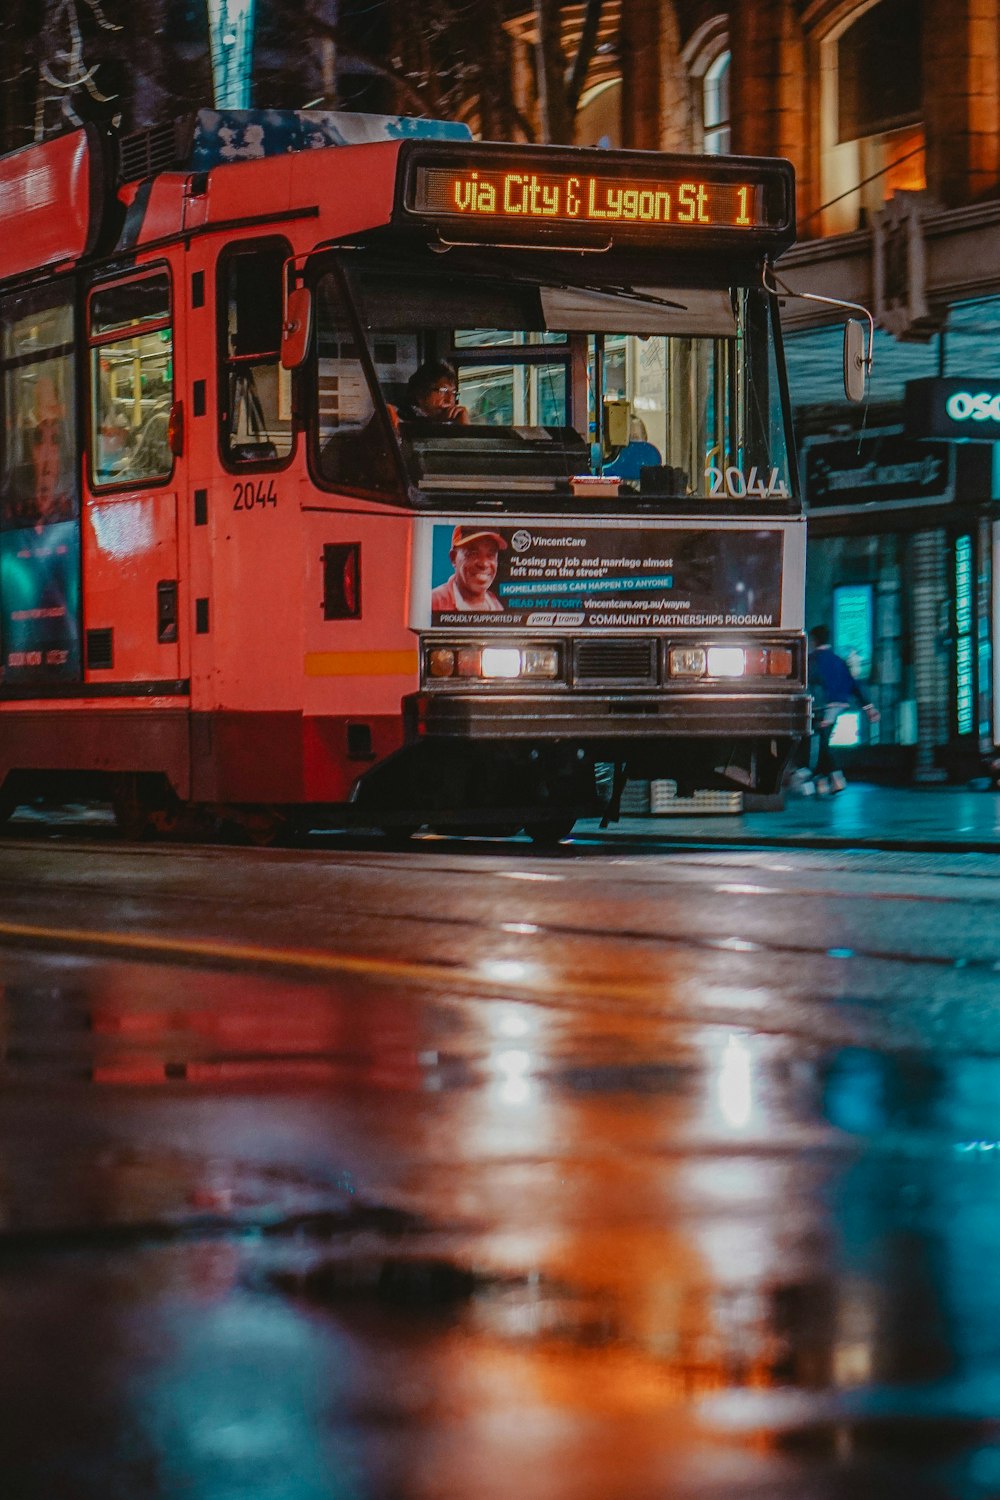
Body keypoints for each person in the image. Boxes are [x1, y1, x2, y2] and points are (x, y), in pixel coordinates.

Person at [802, 624, 879, 795]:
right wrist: (868, 707)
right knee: (823, 740)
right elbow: (854, 685)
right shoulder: (839, 660)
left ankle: (835, 777)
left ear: (813, 640)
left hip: (822, 706)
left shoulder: (811, 660)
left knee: (821, 741)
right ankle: (823, 780)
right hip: (839, 704)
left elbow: (811, 683)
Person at [430, 525, 506, 613]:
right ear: (453, 558)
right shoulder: (433, 602)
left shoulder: (495, 604)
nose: (484, 564)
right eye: (473, 553)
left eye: (491, 555)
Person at [396, 360, 470, 426]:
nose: (450, 400)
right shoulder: (399, 420)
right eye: (443, 391)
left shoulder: (447, 421)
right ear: (421, 393)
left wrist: (464, 427)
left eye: (454, 393)